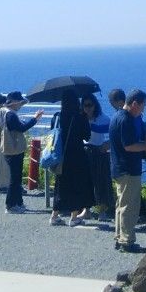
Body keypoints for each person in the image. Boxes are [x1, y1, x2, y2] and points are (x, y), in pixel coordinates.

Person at [108, 89, 146, 253]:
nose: (143, 109)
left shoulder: (117, 117)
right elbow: (129, 146)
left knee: (121, 204)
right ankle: (127, 240)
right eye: (143, 105)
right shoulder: (126, 120)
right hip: (128, 169)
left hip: (119, 167)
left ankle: (119, 236)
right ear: (135, 103)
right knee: (130, 206)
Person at [51, 89, 95, 227]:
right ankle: (74, 216)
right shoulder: (80, 116)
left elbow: (53, 133)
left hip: (61, 156)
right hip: (77, 155)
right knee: (76, 184)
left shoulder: (57, 116)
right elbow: (86, 136)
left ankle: (54, 215)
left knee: (60, 185)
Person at [81, 93, 114, 221]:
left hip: (100, 152)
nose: (87, 108)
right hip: (86, 151)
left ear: (95, 105)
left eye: (90, 105)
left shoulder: (104, 119)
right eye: (84, 105)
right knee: (85, 182)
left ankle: (102, 211)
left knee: (102, 182)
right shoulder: (81, 119)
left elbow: (112, 136)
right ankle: (86, 209)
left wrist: (108, 144)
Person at [1, 91, 34, 212]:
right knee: (14, 179)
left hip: (13, 149)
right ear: (14, 102)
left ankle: (18, 203)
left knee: (17, 178)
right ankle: (10, 205)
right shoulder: (10, 115)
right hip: (13, 150)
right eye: (20, 102)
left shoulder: (8, 113)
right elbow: (21, 128)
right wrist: (34, 119)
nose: (21, 105)